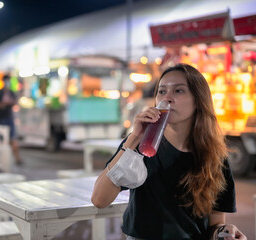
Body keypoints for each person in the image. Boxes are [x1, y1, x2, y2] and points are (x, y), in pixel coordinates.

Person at [91, 63, 247, 240]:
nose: (168, 98)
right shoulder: (141, 145)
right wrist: (133, 138)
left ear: (198, 100)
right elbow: (99, 200)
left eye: (178, 91)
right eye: (162, 91)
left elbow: (215, 223)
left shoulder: (215, 155)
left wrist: (224, 232)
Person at [0, 74, 22, 165]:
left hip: (9, 118)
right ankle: (1, 160)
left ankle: (17, 159)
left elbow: (15, 102)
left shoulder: (11, 92)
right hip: (1, 118)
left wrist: (8, 102)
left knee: (13, 139)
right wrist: (3, 104)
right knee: (1, 140)